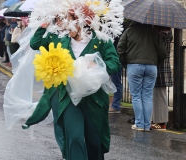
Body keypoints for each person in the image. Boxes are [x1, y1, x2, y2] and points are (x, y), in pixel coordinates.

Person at [24, 1, 122, 159]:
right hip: (68, 97)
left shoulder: (102, 40)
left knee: (94, 143)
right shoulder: (59, 38)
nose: (65, 23)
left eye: (69, 19)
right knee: (74, 137)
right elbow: (35, 44)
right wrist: (44, 25)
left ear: (82, 22)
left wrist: (97, 65)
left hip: (94, 98)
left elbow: (115, 63)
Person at [117, 21, 167, 132]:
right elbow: (163, 53)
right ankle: (147, 124)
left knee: (136, 96)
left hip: (134, 66)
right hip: (151, 67)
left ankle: (139, 124)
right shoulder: (154, 33)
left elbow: (120, 49)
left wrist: (125, 63)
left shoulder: (129, 31)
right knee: (148, 96)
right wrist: (154, 61)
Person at [151, 27, 173, 130]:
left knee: (159, 94)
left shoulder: (163, 34)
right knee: (155, 94)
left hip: (160, 66)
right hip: (160, 65)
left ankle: (161, 122)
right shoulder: (165, 33)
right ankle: (156, 120)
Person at [109, 22, 128, 114]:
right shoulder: (123, 25)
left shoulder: (118, 25)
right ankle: (114, 104)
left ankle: (115, 105)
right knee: (115, 82)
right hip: (114, 57)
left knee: (116, 82)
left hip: (115, 57)